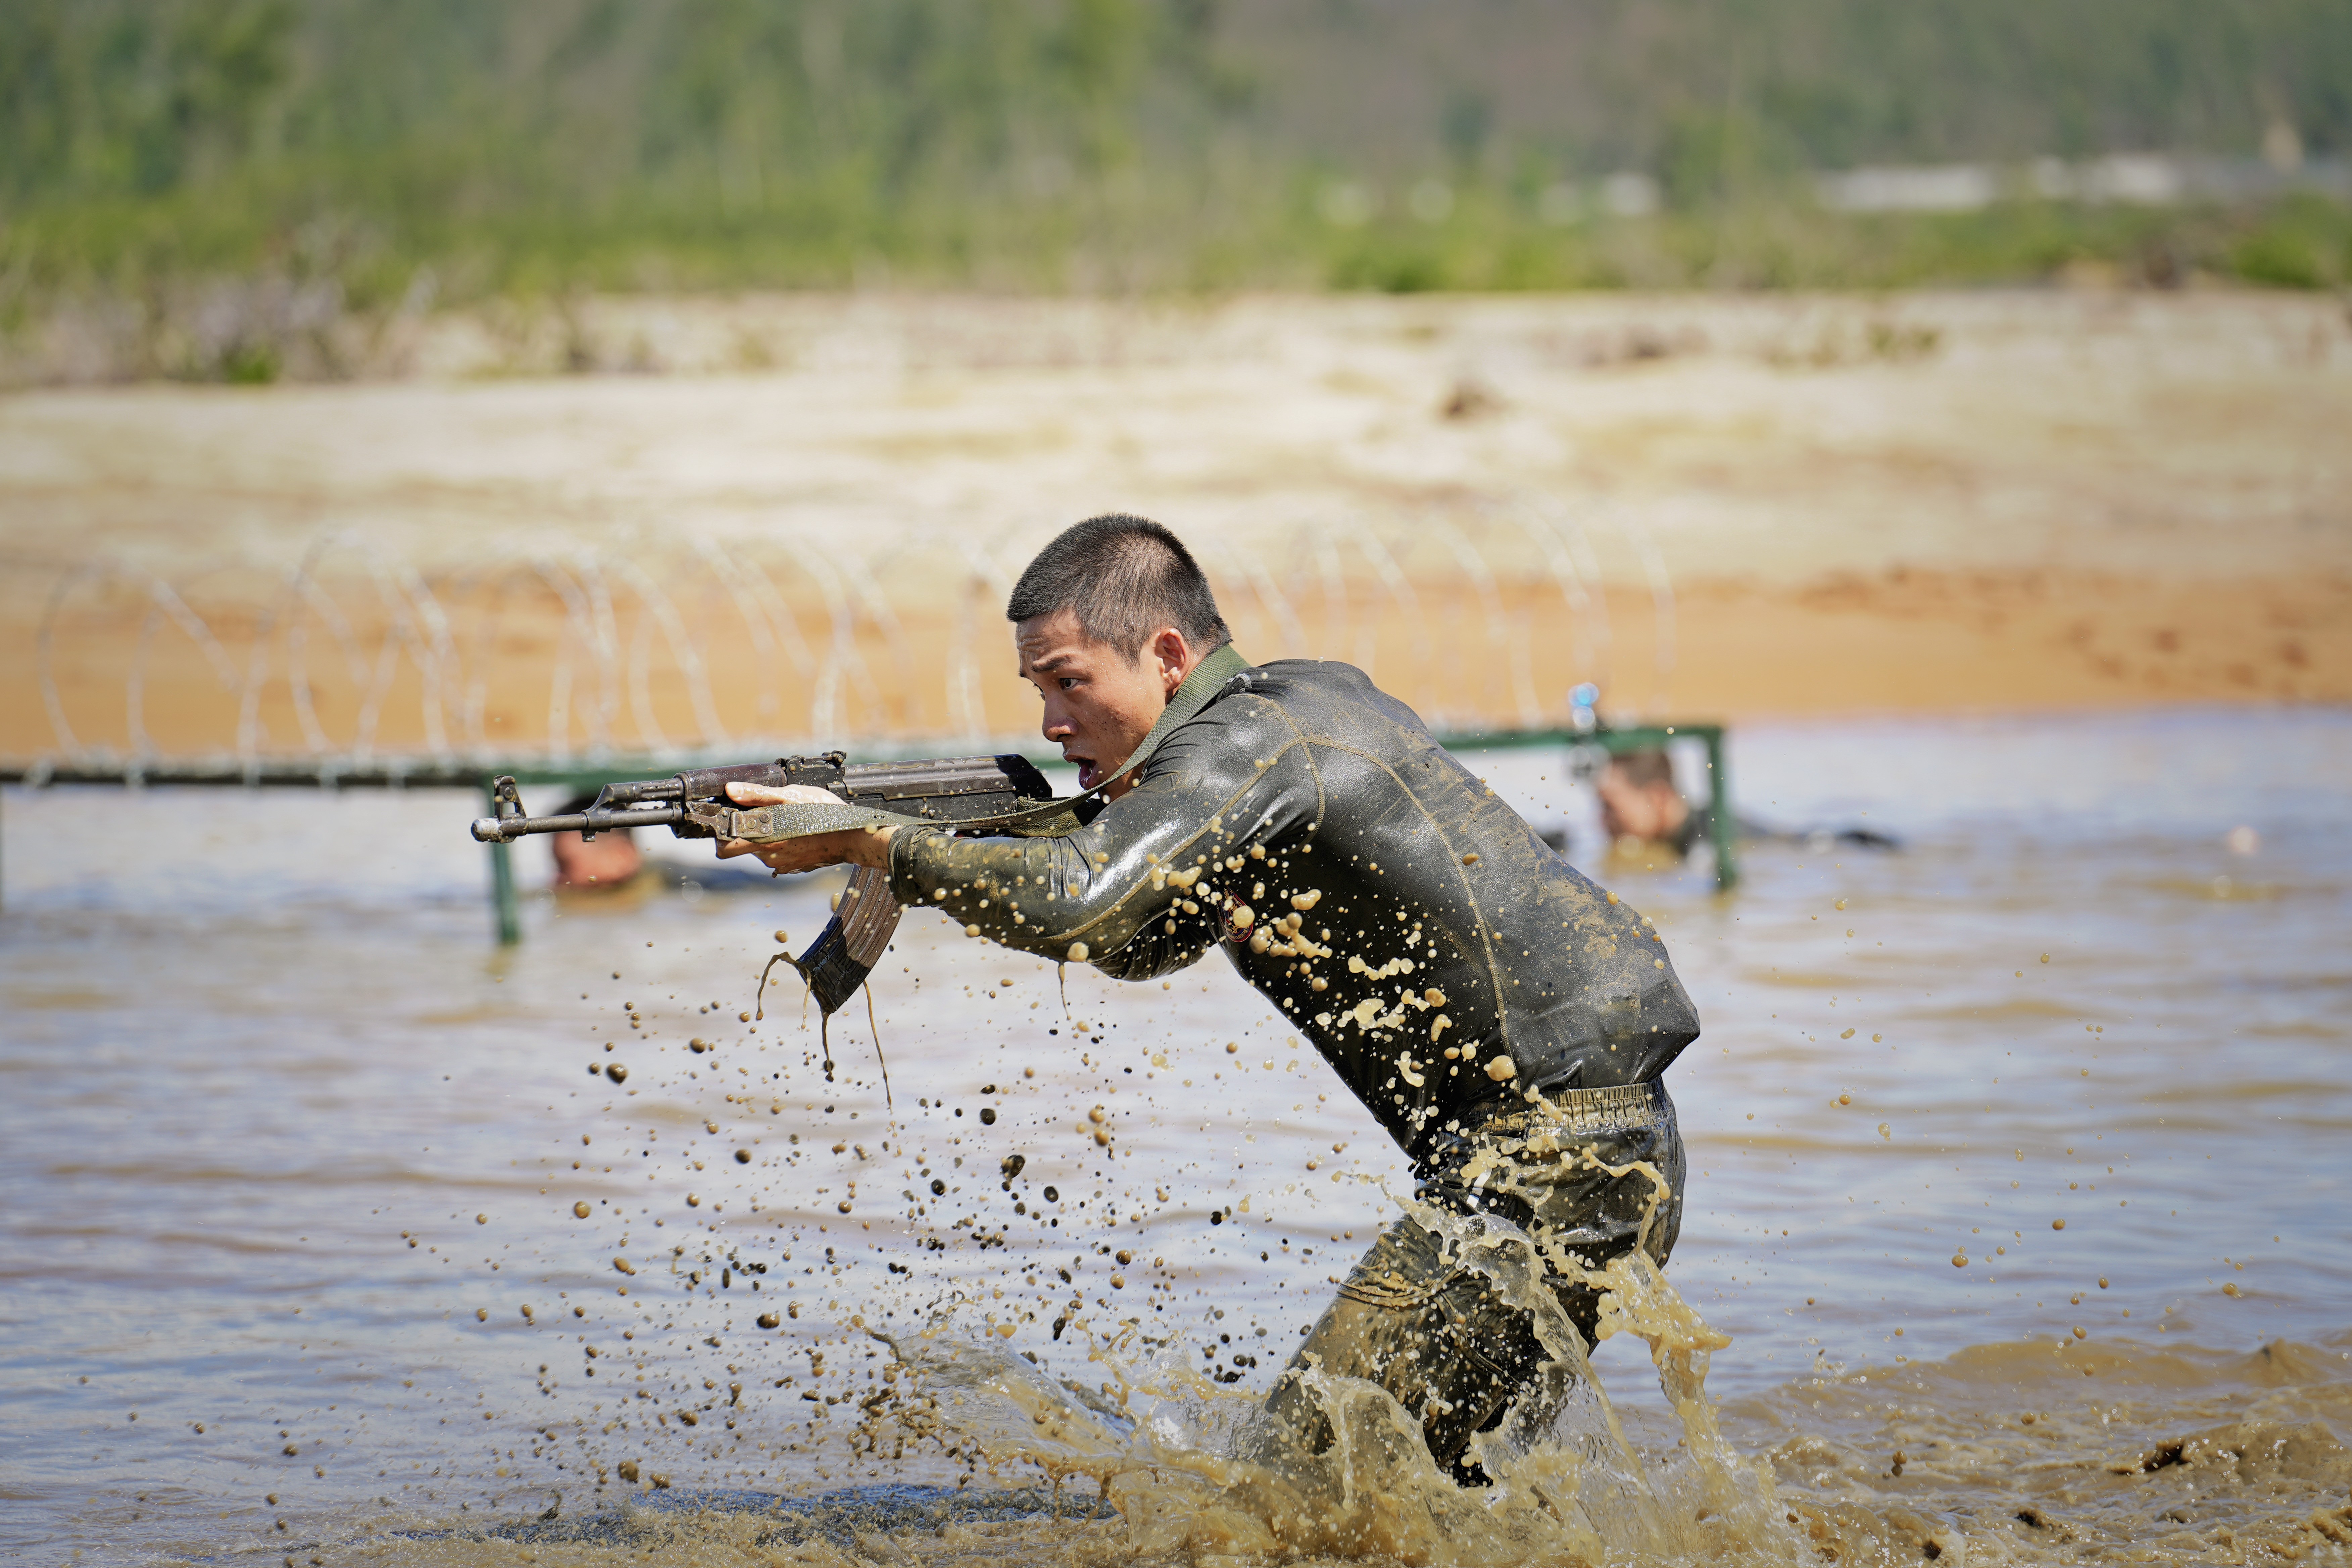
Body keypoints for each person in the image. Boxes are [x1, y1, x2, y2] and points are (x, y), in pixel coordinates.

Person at [714, 514, 1699, 1485]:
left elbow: (1083, 904)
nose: (1052, 724)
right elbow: (1136, 943)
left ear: (1168, 656)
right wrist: (975, 837)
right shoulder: (1296, 707)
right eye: (1038, 690)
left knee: (1295, 1493)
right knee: (1430, 1506)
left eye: (1070, 682)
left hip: (1551, 1160)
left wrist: (878, 843)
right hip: (1610, 1150)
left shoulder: (1246, 741)